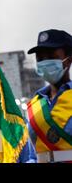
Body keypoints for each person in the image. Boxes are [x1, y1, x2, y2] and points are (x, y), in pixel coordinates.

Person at [26, 29, 72, 163]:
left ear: (68, 60)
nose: (44, 62)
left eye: (51, 56)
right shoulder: (34, 104)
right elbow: (33, 156)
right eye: (40, 58)